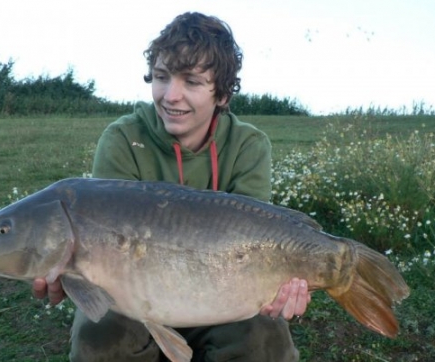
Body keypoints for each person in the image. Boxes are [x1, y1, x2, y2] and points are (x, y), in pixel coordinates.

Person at [33, 11, 310, 361]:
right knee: (98, 337)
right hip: (132, 295)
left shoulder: (248, 145)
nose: (171, 95)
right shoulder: (122, 139)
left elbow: (255, 244)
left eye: (191, 82)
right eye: (162, 77)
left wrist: (283, 285)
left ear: (221, 94)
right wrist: (70, 271)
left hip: (222, 292)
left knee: (266, 340)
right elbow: (98, 246)